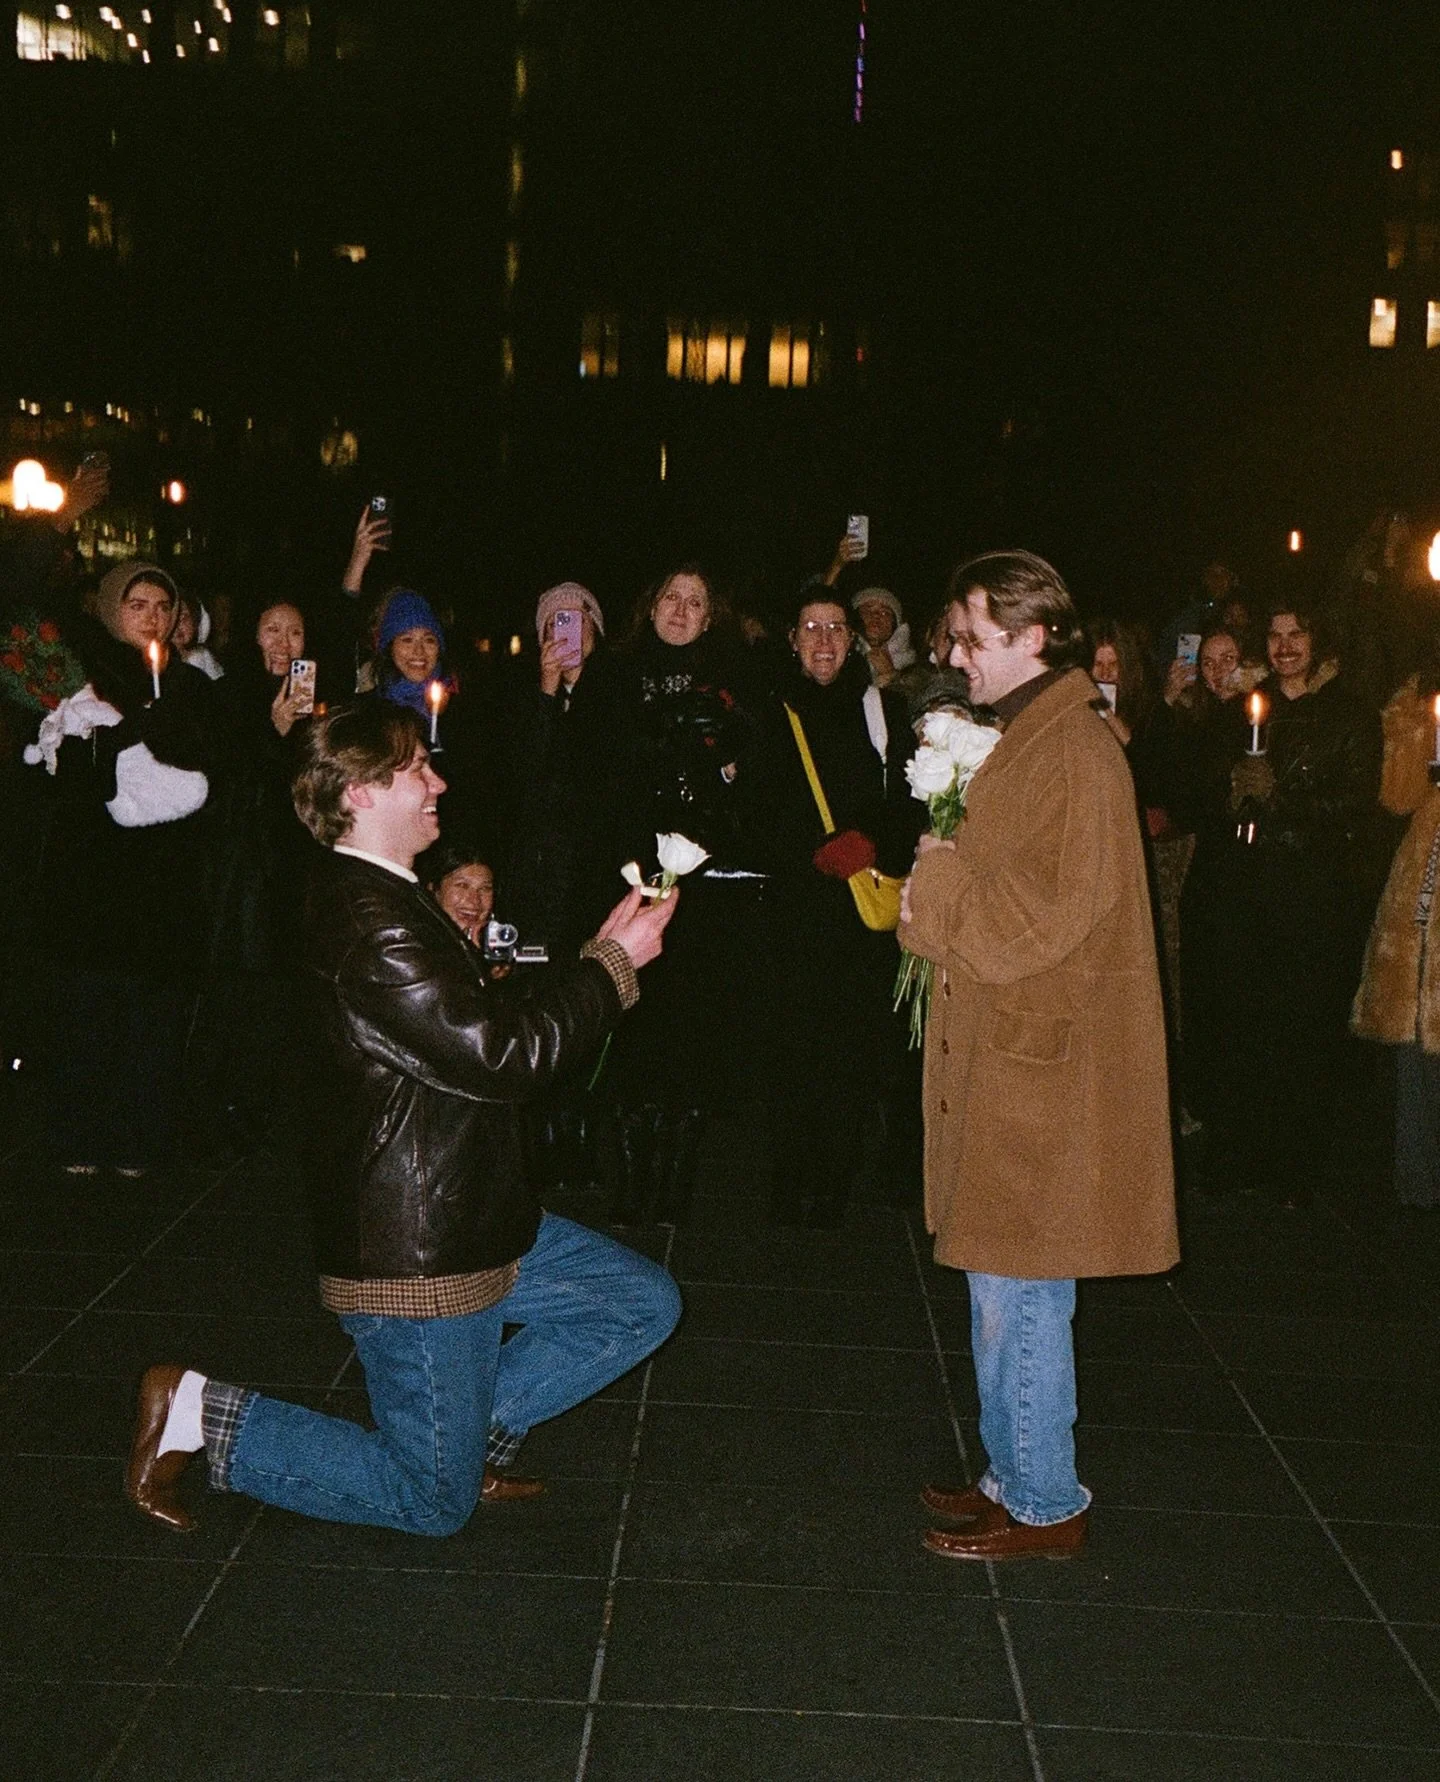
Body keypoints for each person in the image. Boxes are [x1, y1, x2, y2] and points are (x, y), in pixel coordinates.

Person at [124, 700, 682, 1536]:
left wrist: (591, 963)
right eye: (417, 767)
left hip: (473, 1211)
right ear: (358, 792)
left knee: (637, 1302)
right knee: (431, 1503)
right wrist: (609, 969)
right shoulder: (367, 921)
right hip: (421, 1253)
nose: (438, 782)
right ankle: (203, 1416)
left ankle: (467, 1434)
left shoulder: (386, 896)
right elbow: (503, 1057)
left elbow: (465, 1036)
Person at [901, 550, 1178, 1561]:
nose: (954, 654)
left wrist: (933, 892)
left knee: (1020, 1285)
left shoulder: (1072, 749)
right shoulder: (1035, 734)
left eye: (971, 637)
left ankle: (1046, 1499)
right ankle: (1010, 1469)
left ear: (1031, 636)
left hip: (1043, 1061)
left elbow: (1045, 917)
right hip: (1024, 1048)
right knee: (999, 1280)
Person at [27, 559, 218, 1175]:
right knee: (89, 1008)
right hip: (96, 875)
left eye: (164, 606)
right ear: (113, 610)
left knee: (152, 1013)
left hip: (162, 876)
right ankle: (80, 1136)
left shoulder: (189, 685)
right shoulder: (85, 680)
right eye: (139, 605)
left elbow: (209, 769)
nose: (153, 617)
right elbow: (73, 777)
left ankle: (141, 1137)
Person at [751, 589, 920, 1225]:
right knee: (792, 1052)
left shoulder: (883, 711)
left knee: (849, 1053)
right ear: (792, 640)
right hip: (792, 912)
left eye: (836, 628)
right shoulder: (771, 712)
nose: (824, 640)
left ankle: (833, 1186)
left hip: (859, 917)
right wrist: (804, 851)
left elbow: (912, 801)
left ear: (852, 639)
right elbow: (754, 813)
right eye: (811, 627)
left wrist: (871, 839)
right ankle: (791, 1180)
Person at [850, 586, 915, 688]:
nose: (876, 616)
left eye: (885, 613)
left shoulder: (913, 666)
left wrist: (892, 675)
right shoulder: (840, 655)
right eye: (867, 610)